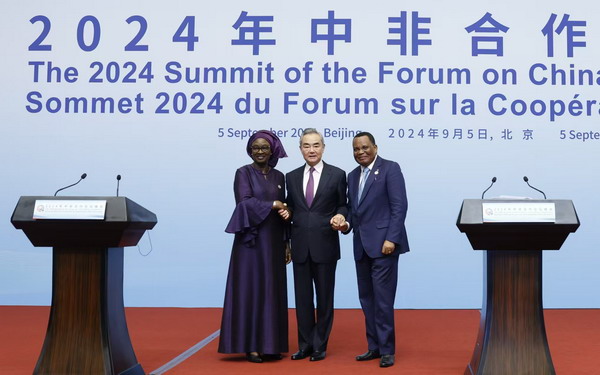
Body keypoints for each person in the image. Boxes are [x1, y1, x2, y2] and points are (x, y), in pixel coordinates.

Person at [334, 131, 409, 368]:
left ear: (375, 147)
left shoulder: (390, 168)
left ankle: (387, 350)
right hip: (361, 246)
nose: (361, 152)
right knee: (367, 299)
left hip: (385, 246)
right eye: (356, 149)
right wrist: (345, 224)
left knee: (383, 301)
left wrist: (392, 239)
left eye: (365, 147)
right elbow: (353, 210)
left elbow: (399, 206)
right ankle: (374, 347)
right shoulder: (352, 176)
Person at [218, 130, 292, 363]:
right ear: (250, 150)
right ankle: (251, 346)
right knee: (251, 291)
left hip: (274, 242)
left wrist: (287, 241)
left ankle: (271, 345)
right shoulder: (243, 173)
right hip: (250, 243)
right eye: (255, 148)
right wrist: (273, 203)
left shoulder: (280, 176)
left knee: (272, 290)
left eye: (264, 147)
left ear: (272, 150)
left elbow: (285, 211)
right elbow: (244, 203)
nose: (259, 151)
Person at [285, 128, 347, 362]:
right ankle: (305, 345)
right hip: (300, 245)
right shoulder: (290, 176)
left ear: (323, 147)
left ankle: (320, 345)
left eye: (316, 145)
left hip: (326, 245)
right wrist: (285, 216)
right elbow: (290, 208)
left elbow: (343, 204)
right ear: (300, 148)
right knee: (302, 300)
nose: (311, 150)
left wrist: (341, 217)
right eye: (306, 146)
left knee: (324, 299)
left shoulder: (338, 174)